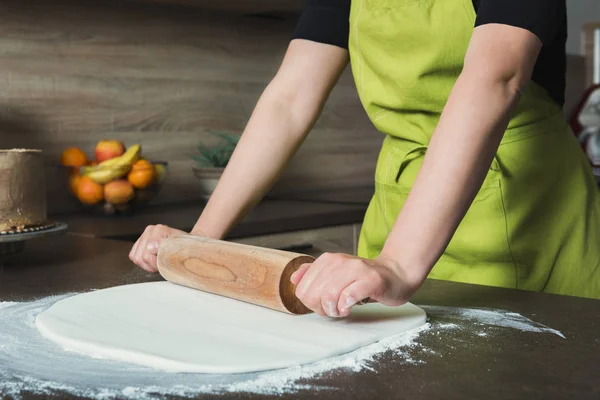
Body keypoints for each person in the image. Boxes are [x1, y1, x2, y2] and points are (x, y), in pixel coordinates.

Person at [130, 0, 600, 316]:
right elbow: (288, 100)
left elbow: (495, 78)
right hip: (401, 211)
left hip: (526, 209)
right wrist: (202, 241)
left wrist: (398, 264)